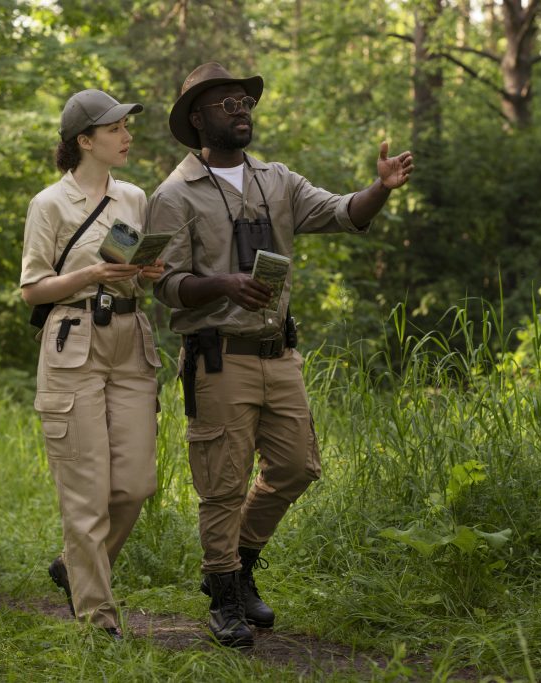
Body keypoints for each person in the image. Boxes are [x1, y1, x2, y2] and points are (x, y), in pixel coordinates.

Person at [146, 63, 414, 648]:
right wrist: (222, 284)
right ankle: (222, 598)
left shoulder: (278, 180)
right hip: (217, 358)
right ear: (198, 119)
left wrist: (380, 190)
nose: (241, 110)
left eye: (245, 101)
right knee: (222, 482)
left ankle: (240, 565)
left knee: (298, 467)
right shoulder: (174, 194)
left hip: (279, 354)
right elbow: (163, 283)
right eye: (226, 104)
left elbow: (343, 213)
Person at [19, 89, 164, 640]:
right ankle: (99, 623)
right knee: (86, 495)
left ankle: (73, 566)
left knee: (134, 485)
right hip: (73, 341)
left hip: (129, 342)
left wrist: (144, 272)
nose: (127, 136)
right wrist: (87, 278)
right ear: (85, 140)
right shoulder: (48, 204)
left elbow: (131, 260)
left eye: (127, 127)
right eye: (116, 129)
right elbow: (33, 289)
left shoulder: (133, 196)